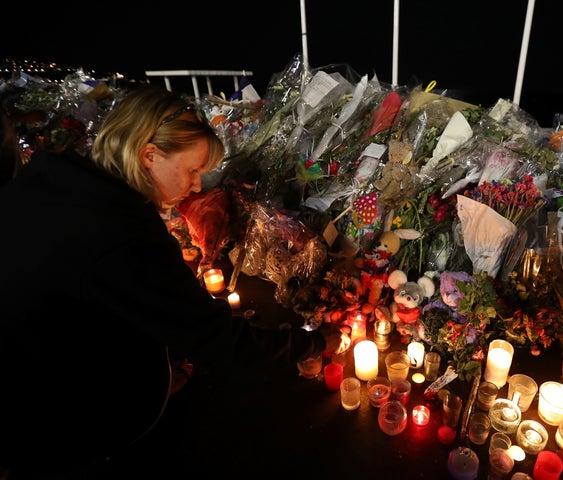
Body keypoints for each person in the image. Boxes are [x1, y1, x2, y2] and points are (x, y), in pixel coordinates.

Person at [0, 85, 350, 480]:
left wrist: (157, 361)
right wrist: (317, 341)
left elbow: (92, 302)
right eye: (192, 170)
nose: (198, 185)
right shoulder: (120, 234)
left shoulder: (56, 179)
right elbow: (218, 340)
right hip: (62, 427)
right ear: (149, 155)